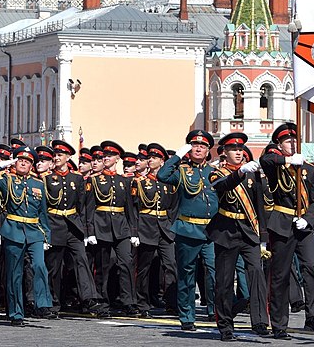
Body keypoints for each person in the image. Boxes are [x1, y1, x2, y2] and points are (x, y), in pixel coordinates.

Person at [259, 122, 314, 338]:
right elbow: (265, 159)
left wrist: (308, 219)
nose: (293, 144)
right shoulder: (276, 164)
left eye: (295, 140)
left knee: (311, 267)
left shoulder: (308, 168)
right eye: (288, 141)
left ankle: (313, 316)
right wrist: (287, 160)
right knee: (280, 274)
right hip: (282, 222)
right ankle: (279, 323)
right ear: (279, 144)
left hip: (303, 225)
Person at [208, 132, 270, 341]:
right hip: (226, 230)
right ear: (224, 152)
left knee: (257, 275)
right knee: (225, 281)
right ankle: (225, 325)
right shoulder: (217, 172)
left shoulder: (252, 173)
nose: (238, 152)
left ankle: (260, 321)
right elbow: (222, 187)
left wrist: (263, 235)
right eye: (233, 149)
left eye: (240, 149)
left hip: (248, 229)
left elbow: (259, 205)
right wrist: (240, 172)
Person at [0, 146, 53, 326]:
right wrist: (3, 164)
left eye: (27, 161)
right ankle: (16, 313)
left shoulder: (38, 184)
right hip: (13, 230)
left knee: (39, 265)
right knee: (15, 273)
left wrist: (47, 236)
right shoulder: (6, 180)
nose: (23, 163)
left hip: (34, 231)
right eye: (20, 159)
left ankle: (43, 304)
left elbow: (43, 212)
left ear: (32, 166)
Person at [157, 129, 219, 330]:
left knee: (214, 271)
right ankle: (187, 316)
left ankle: (213, 310)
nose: (198, 148)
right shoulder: (182, 171)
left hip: (211, 231)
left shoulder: (214, 172)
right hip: (188, 229)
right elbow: (162, 175)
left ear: (209, 150)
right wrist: (176, 156)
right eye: (194, 145)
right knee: (187, 275)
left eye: (202, 146)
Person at [44, 138, 99, 316]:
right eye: (55, 155)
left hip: (73, 226)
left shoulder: (77, 178)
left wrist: (85, 230)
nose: (56, 158)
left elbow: (82, 205)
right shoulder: (46, 179)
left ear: (68, 157)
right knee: (54, 266)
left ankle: (89, 298)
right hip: (55, 224)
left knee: (81, 261)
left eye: (60, 155)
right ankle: (53, 302)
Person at [89, 140, 139, 315]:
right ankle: (101, 302)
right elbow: (89, 207)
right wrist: (90, 231)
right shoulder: (93, 181)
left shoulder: (123, 181)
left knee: (126, 262)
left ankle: (128, 301)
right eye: (104, 156)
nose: (106, 158)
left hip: (121, 226)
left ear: (117, 158)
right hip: (101, 225)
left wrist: (133, 231)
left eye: (109, 156)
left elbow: (129, 208)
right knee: (103, 266)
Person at [133, 142, 177, 317]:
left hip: (165, 228)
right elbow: (134, 208)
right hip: (146, 227)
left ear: (162, 161)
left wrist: (172, 226)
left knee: (171, 265)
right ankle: (142, 303)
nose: (150, 160)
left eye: (155, 158)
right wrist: (135, 231)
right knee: (144, 267)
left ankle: (171, 303)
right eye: (149, 157)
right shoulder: (140, 182)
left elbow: (174, 206)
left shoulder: (169, 182)